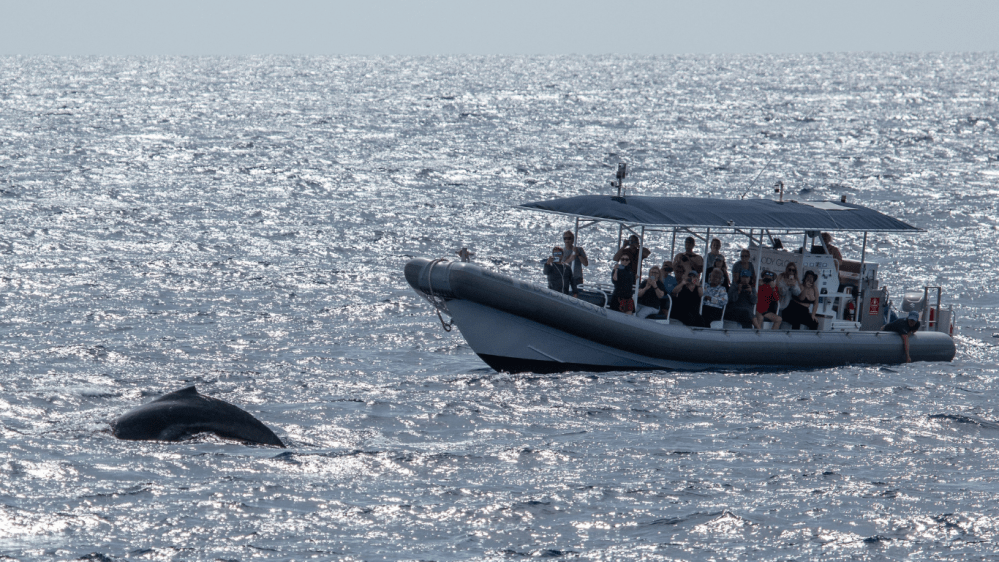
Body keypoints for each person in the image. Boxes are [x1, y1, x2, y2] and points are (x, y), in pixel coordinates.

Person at [561, 230, 589, 296]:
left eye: (569, 238)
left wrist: (578, 254)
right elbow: (561, 265)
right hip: (566, 278)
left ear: (573, 240)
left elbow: (586, 263)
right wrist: (570, 259)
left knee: (578, 296)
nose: (567, 240)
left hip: (577, 278)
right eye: (565, 238)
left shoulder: (579, 249)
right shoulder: (562, 251)